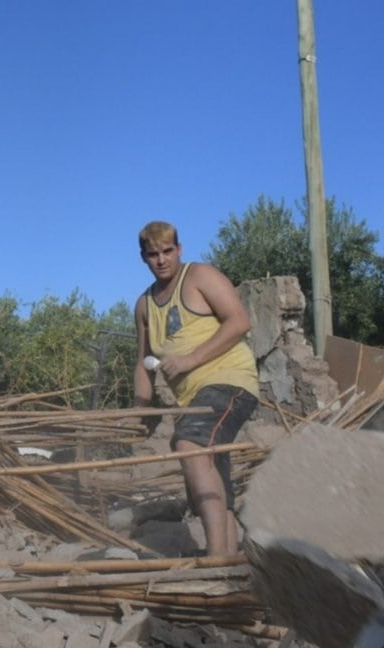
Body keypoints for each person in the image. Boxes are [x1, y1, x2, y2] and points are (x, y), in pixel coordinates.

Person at [132, 221, 258, 557]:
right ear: (143, 258)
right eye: (153, 254)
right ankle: (230, 561)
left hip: (230, 380)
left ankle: (215, 559)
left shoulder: (200, 276)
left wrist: (190, 359)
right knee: (212, 471)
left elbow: (240, 321)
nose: (161, 260)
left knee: (190, 444)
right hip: (194, 399)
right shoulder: (144, 305)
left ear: (180, 249)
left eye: (168, 251)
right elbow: (143, 362)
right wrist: (140, 410)